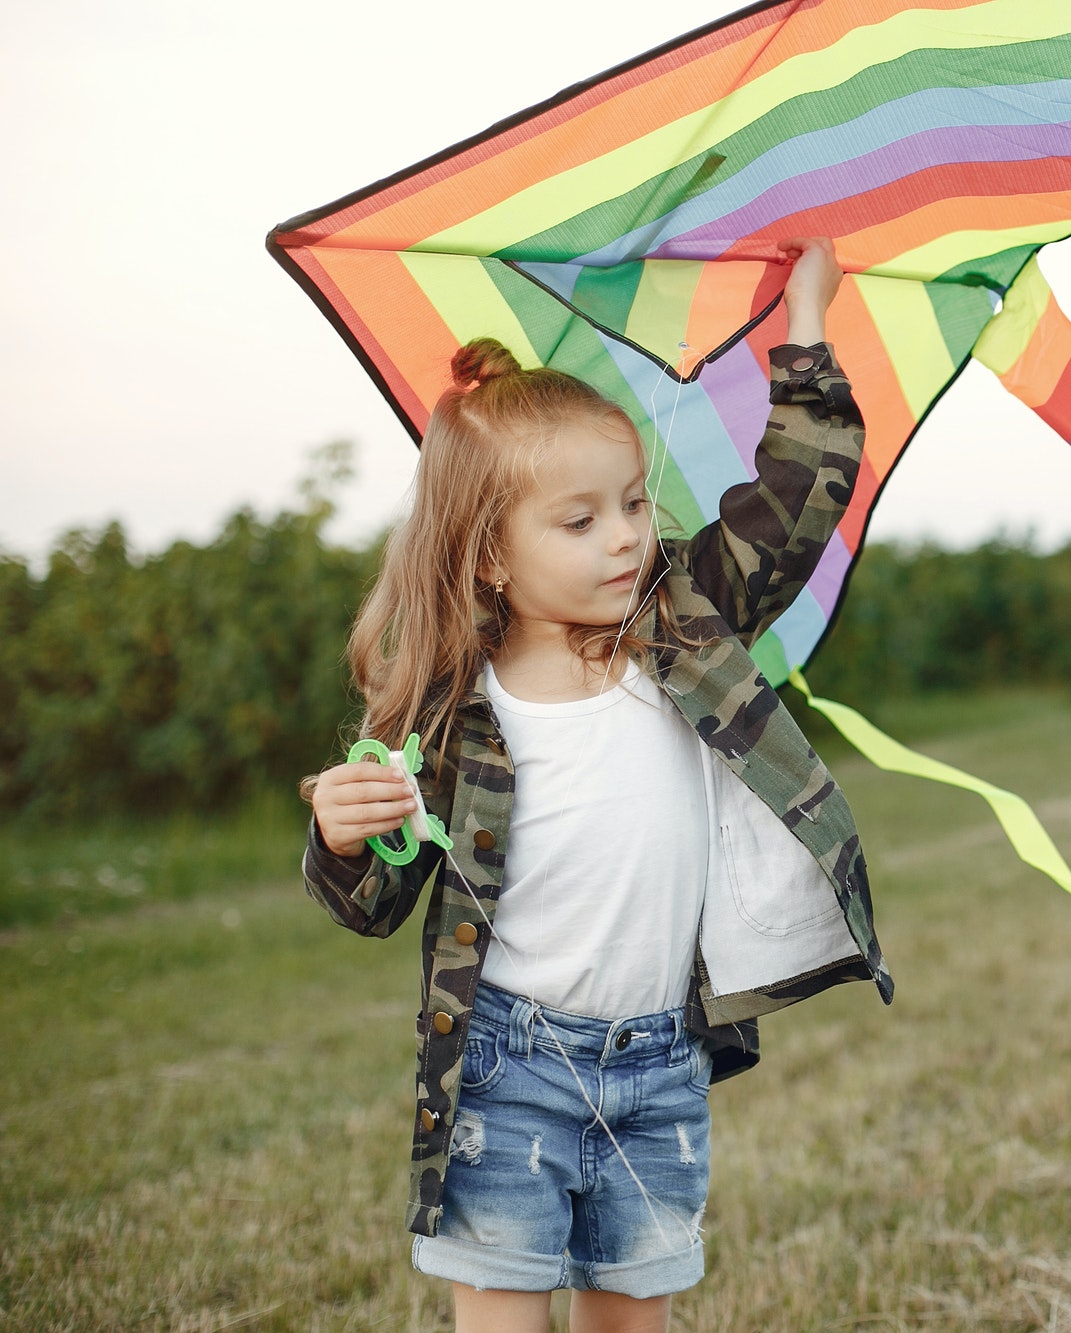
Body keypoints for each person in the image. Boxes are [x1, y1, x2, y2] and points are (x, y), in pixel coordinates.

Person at [300, 236, 890, 1333]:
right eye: (579, 522)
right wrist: (340, 838)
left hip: (659, 1064)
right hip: (505, 1068)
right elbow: (373, 903)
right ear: (488, 555)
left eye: (630, 502)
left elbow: (797, 499)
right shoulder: (447, 715)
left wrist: (803, 320)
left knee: (634, 1319)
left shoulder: (681, 627)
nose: (625, 537)